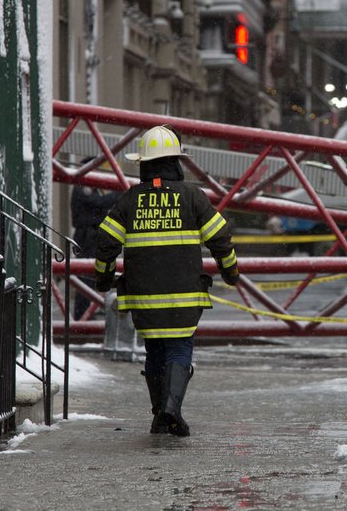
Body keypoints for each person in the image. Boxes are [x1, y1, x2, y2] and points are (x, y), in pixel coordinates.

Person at [94, 125, 239, 437]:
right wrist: (230, 272)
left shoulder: (129, 201)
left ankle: (160, 412)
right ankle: (171, 409)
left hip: (143, 296)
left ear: (144, 164)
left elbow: (105, 242)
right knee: (179, 347)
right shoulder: (192, 197)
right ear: (176, 162)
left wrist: (103, 278)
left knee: (155, 349)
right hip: (185, 295)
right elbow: (221, 239)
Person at [70, 159, 120, 320]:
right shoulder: (82, 187)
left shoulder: (90, 187)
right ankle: (82, 314)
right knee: (86, 276)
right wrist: (119, 192)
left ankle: (90, 308)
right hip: (87, 237)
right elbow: (99, 203)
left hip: (94, 236)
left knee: (94, 274)